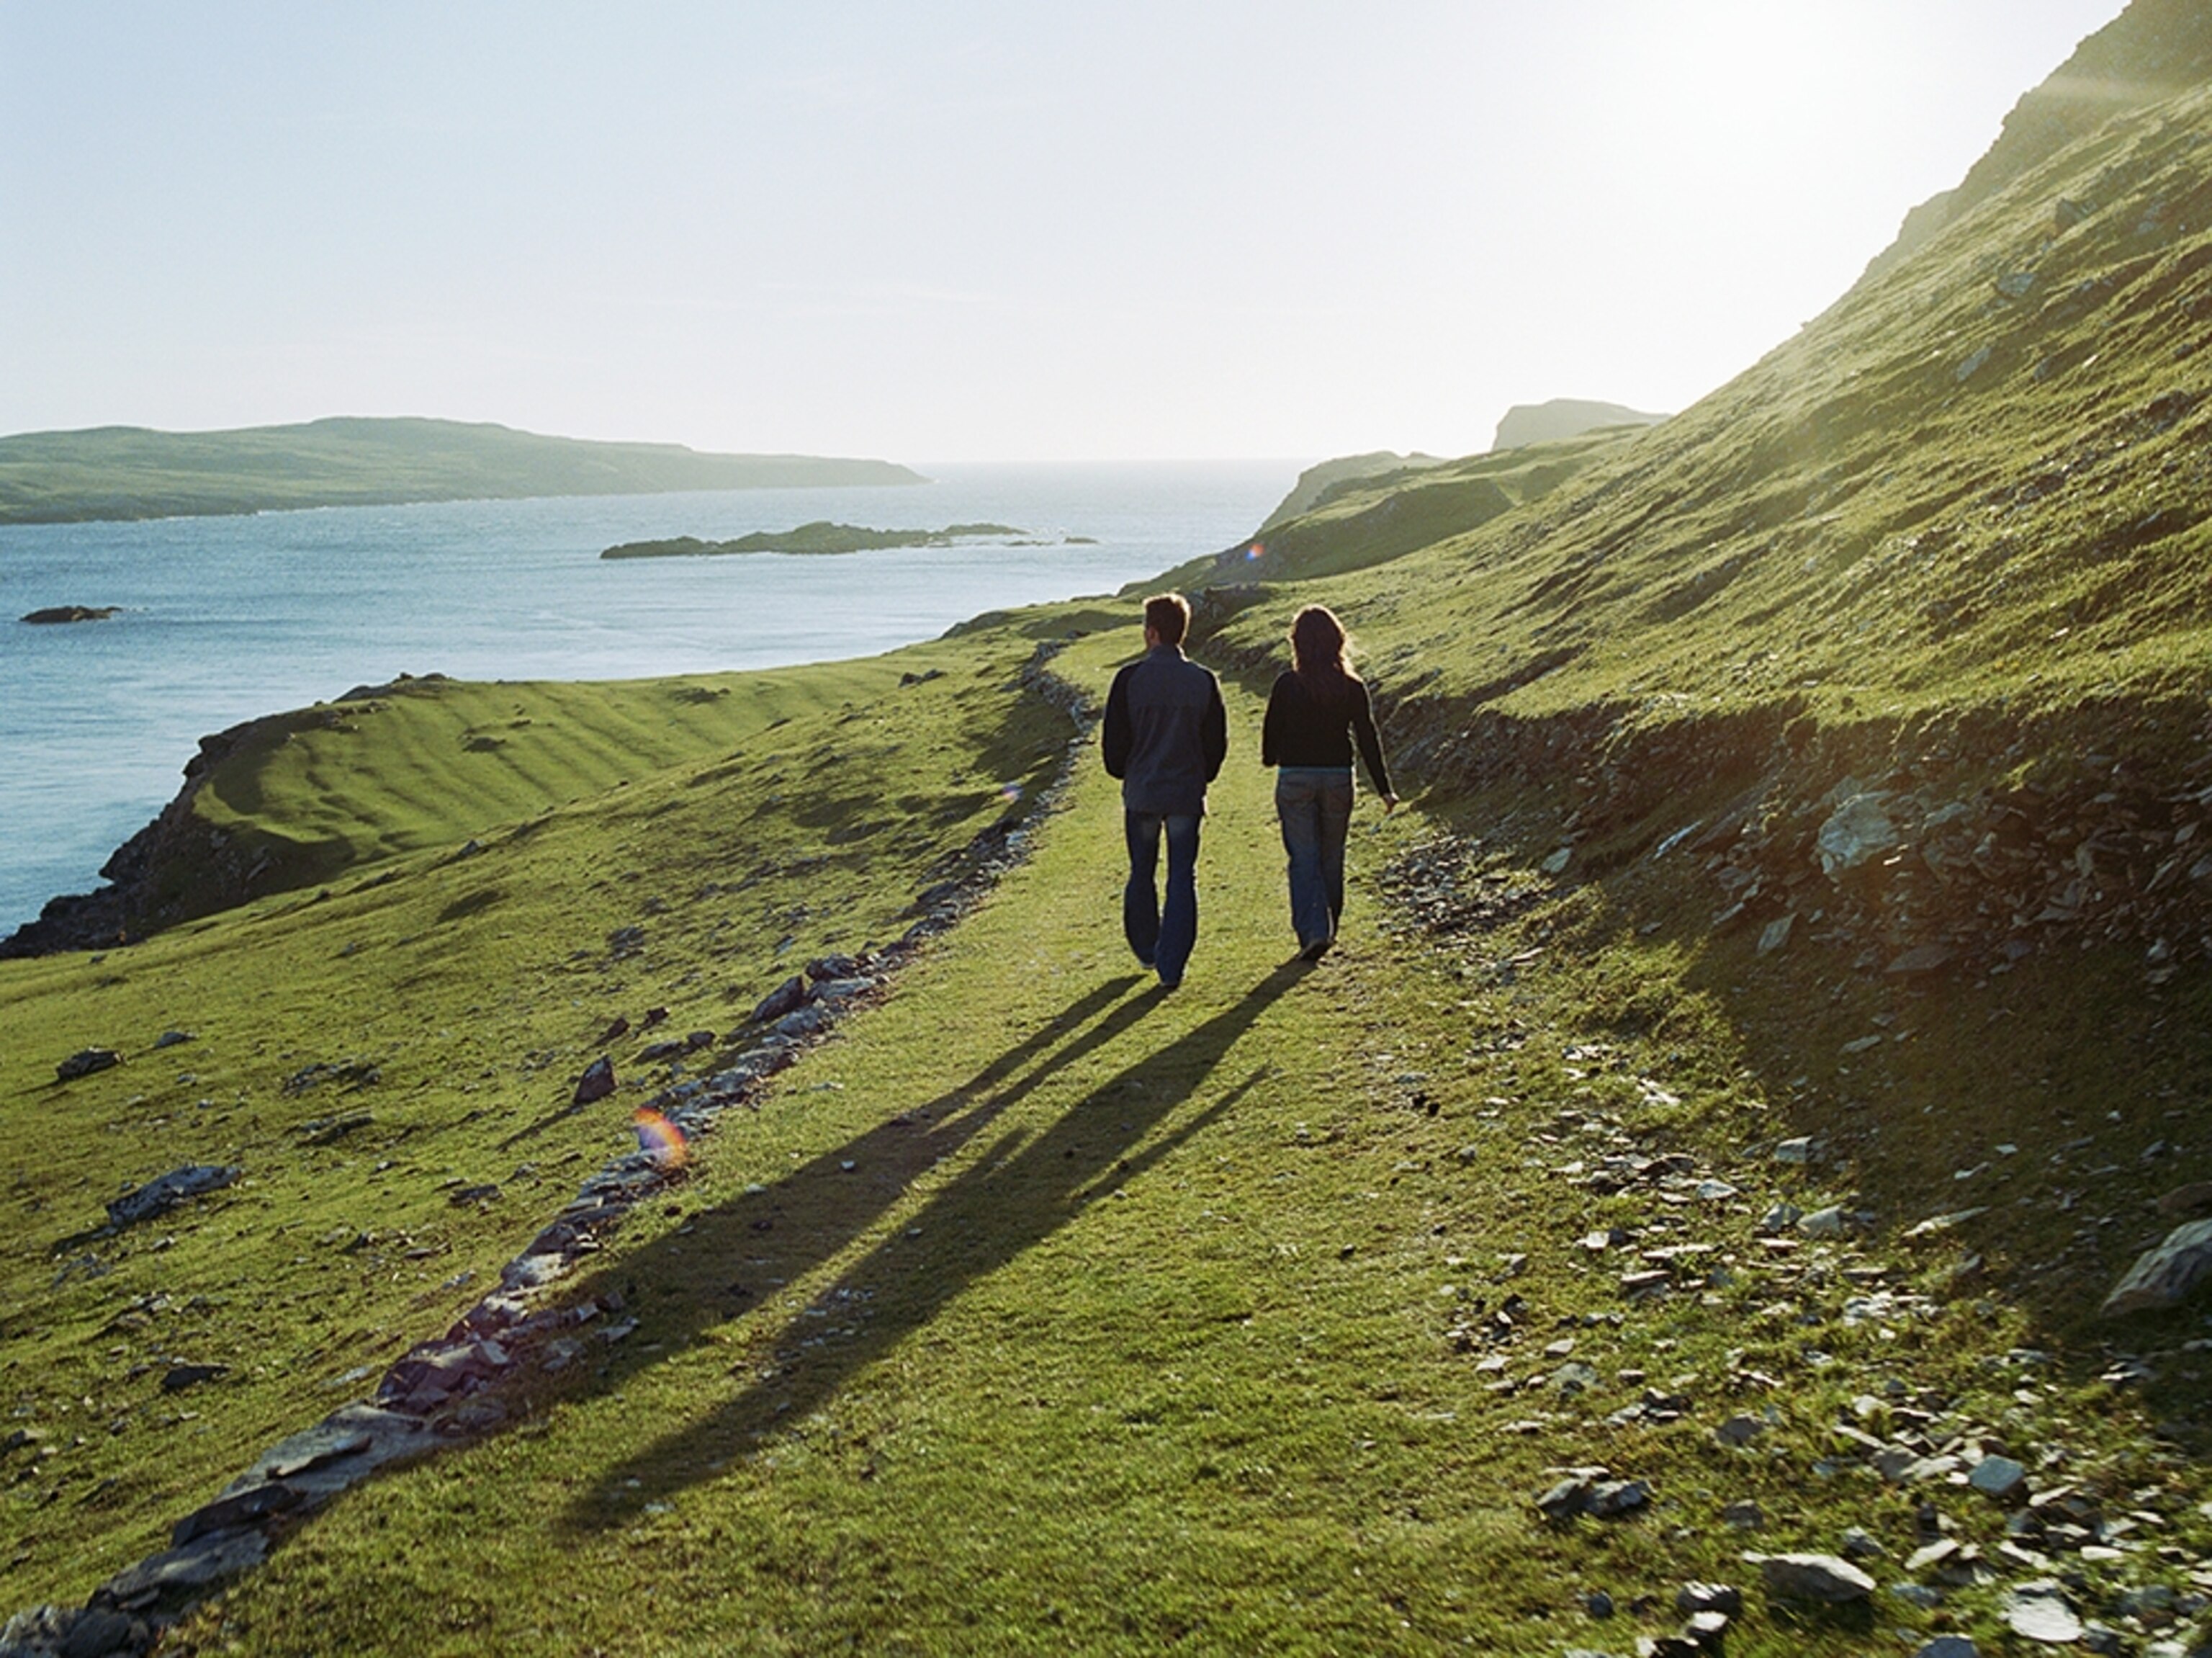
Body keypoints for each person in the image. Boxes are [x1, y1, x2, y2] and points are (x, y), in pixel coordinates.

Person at [1101, 592, 1228, 988]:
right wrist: (1200, 777)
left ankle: (1146, 947)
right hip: (1186, 795)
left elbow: (1114, 743)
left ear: (1152, 632)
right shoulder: (1204, 681)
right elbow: (1216, 743)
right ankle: (1171, 964)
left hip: (1142, 792)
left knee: (1142, 871)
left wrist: (1127, 773)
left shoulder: (1128, 680)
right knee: (1181, 876)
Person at [1260, 604, 1397, 961]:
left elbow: (1271, 729)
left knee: (1303, 856)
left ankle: (1313, 930)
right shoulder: (1351, 686)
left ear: (1298, 644)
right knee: (1331, 854)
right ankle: (1329, 927)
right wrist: (1384, 788)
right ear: (1337, 641)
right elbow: (1367, 736)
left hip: (1296, 777)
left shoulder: (1287, 684)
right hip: (1338, 776)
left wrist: (1271, 756)